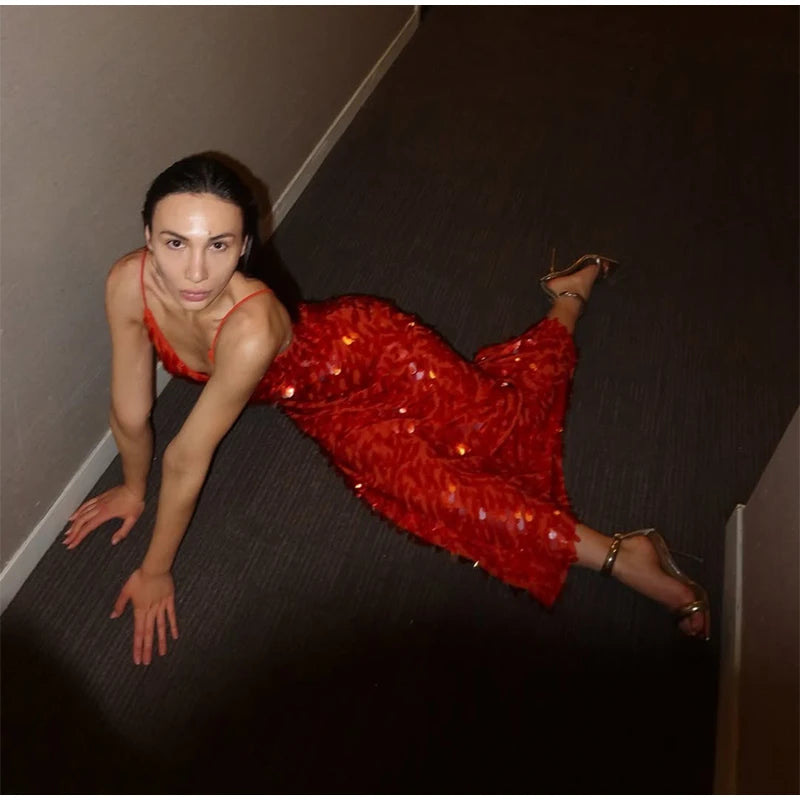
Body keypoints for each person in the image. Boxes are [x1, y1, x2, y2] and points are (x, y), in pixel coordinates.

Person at [64, 154, 710, 666]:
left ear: (244, 246)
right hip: (330, 408)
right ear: (148, 236)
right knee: (438, 493)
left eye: (220, 245)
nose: (195, 272)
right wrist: (131, 487)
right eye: (175, 243)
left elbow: (188, 455)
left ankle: (567, 296)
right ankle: (623, 556)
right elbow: (130, 413)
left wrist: (155, 570)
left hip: (375, 348)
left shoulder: (251, 324)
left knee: (505, 421)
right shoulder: (128, 281)